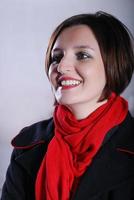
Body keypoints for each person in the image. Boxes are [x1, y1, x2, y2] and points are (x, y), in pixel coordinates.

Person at [1, 11, 134, 200]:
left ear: (115, 63)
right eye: (56, 57)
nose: (61, 67)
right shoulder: (28, 144)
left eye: (82, 55)